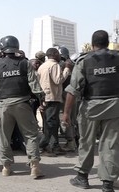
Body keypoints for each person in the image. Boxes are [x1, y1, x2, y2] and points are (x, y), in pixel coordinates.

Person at [62, 30, 119, 192]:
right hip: (115, 107)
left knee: (86, 142)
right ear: (107, 43)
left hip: (91, 108)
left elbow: (73, 90)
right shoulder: (118, 58)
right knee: (111, 144)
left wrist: (66, 113)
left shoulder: (84, 61)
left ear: (93, 44)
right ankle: (107, 183)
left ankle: (82, 177)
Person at [0, 35, 44, 178]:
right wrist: (42, 101)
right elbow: (35, 85)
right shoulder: (25, 63)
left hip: (4, 106)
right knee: (31, 135)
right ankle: (35, 167)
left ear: (2, 48)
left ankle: (6, 168)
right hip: (22, 104)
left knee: (4, 137)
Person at [37, 47, 72, 156]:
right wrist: (67, 69)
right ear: (55, 54)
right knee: (51, 123)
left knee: (51, 122)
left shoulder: (42, 66)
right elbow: (58, 80)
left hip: (45, 97)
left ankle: (54, 146)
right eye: (58, 54)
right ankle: (43, 145)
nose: (59, 57)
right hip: (53, 97)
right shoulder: (54, 65)